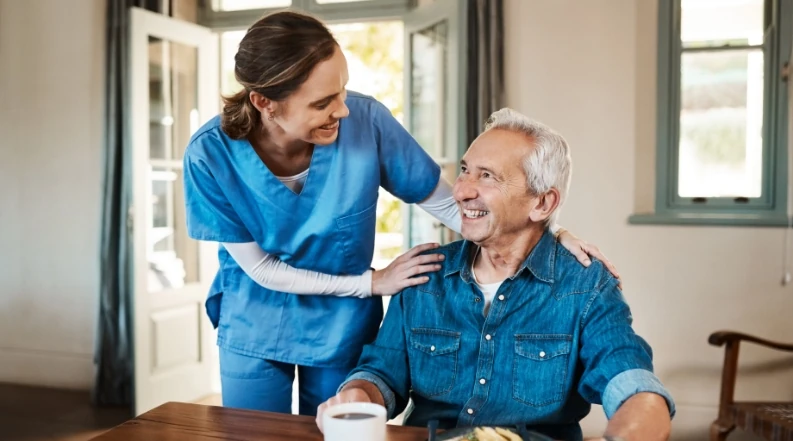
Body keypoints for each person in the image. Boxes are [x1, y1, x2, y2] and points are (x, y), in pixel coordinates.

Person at [183, 11, 618, 417]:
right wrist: (373, 282)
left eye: (342, 90)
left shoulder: (367, 122)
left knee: (341, 429)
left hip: (340, 325)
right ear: (265, 102)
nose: (343, 109)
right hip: (256, 317)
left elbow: (454, 206)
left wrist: (547, 232)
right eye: (322, 103)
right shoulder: (209, 155)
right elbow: (261, 268)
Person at [317, 109, 674, 441]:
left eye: (487, 177)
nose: (461, 191)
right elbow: (382, 374)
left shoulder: (586, 285)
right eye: (465, 170)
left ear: (542, 203)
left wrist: (638, 419)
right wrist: (356, 396)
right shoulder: (425, 275)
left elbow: (629, 381)